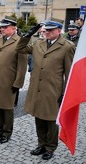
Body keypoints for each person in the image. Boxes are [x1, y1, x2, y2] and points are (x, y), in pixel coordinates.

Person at [16, 18, 75, 160]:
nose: (47, 32)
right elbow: (20, 49)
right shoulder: (38, 43)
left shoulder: (67, 46)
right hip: (36, 87)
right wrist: (27, 35)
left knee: (51, 120)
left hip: (53, 89)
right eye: (46, 30)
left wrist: (66, 94)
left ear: (59, 31)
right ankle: (41, 144)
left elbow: (69, 73)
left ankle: (50, 148)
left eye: (50, 30)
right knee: (39, 117)